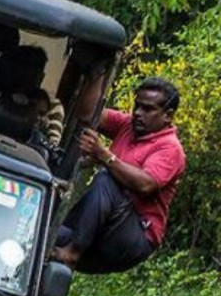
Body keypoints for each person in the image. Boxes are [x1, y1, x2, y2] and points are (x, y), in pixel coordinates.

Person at [53, 77, 187, 274]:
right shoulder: (127, 126)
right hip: (102, 228)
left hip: (133, 237)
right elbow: (87, 113)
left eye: (148, 109)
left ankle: (73, 252)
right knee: (46, 237)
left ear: (168, 115)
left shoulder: (170, 148)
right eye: (137, 106)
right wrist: (99, 72)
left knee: (106, 179)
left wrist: (104, 155)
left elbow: (146, 185)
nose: (138, 114)